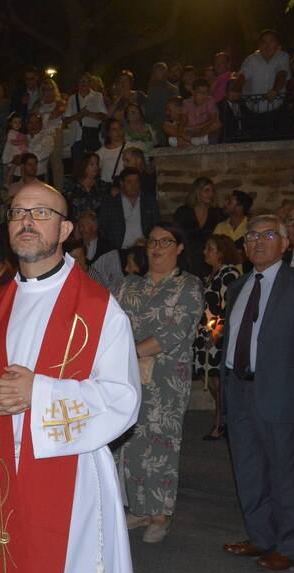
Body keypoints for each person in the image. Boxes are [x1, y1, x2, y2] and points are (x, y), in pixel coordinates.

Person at [0, 180, 144, 573]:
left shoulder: (100, 309)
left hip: (72, 477)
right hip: (0, 475)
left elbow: (123, 398)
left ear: (65, 230)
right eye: (18, 212)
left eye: (41, 213)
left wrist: (40, 391)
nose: (27, 221)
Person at [220, 215, 294, 571]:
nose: (258, 242)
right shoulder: (238, 286)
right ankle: (260, 536)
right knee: (248, 469)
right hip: (239, 388)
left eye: (268, 235)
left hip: (281, 392)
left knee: (286, 474)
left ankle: (291, 545)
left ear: (285, 243)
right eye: (251, 236)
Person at [116, 224, 204, 542]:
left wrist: (129, 352)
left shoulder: (188, 285)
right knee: (133, 439)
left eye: (165, 241)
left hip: (166, 378)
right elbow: (111, 321)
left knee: (163, 442)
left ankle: (160, 514)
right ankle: (139, 508)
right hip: (127, 376)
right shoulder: (130, 286)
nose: (157, 247)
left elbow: (174, 330)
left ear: (178, 248)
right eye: (152, 241)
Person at [192, 235, 241, 440]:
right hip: (204, 333)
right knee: (212, 380)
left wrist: (217, 331)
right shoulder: (210, 275)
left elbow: (229, 305)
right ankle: (222, 418)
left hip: (218, 335)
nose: (205, 252)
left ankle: (221, 422)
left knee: (218, 380)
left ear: (220, 252)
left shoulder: (229, 273)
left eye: (210, 248)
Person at [237, 29, 292, 138]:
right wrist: (236, 89)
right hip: (253, 113)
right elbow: (242, 76)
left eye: (271, 41)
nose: (268, 45)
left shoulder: (282, 57)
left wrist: (275, 90)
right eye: (264, 42)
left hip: (277, 111)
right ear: (259, 45)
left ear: (277, 43)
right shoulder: (251, 60)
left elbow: (282, 74)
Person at [175, 177, 228, 278]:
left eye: (212, 191)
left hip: (208, 259)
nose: (210, 194)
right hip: (187, 258)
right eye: (206, 190)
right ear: (197, 192)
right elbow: (176, 236)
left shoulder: (217, 213)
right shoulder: (183, 212)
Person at [96, 168, 160, 250]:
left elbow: (157, 224)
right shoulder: (111, 201)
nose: (134, 185)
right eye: (129, 182)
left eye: (136, 181)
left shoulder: (149, 200)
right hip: (119, 249)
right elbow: (103, 227)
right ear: (122, 183)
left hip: (144, 248)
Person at [63, 73, 108, 160]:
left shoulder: (97, 96)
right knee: (78, 166)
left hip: (92, 136)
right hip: (76, 137)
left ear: (90, 83)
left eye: (85, 81)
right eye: (81, 81)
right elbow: (65, 120)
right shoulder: (72, 98)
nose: (83, 83)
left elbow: (103, 116)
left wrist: (88, 114)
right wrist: (78, 116)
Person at [96, 119, 141, 185]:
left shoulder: (134, 146)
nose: (118, 131)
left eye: (120, 128)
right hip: (109, 188)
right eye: (114, 129)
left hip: (131, 185)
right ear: (108, 133)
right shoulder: (100, 153)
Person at [63, 152, 105, 221]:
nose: (96, 167)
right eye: (92, 164)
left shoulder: (102, 186)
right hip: (77, 225)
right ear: (84, 166)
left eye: (97, 164)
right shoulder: (71, 185)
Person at [145, 63, 180, 146]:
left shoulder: (172, 89)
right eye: (157, 71)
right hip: (156, 127)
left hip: (169, 126)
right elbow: (149, 112)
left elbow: (176, 110)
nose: (159, 74)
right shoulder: (151, 90)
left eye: (161, 71)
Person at [181, 79, 222, 145]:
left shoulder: (210, 100)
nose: (205, 95)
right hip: (189, 130)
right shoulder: (186, 102)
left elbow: (213, 119)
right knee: (166, 125)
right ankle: (190, 140)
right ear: (193, 92)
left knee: (217, 124)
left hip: (203, 129)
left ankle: (192, 140)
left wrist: (198, 127)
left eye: (206, 92)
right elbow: (182, 120)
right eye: (201, 93)